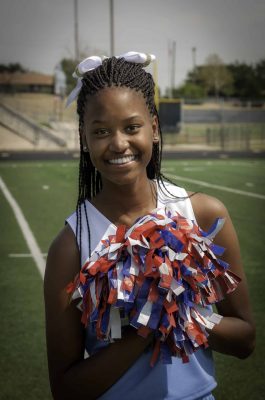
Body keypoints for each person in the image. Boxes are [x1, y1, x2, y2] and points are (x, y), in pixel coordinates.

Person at [44, 52, 255, 400]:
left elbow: (245, 339)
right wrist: (147, 324)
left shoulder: (204, 214)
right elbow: (66, 389)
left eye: (131, 127)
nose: (118, 143)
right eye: (100, 131)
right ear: (84, 140)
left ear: (154, 129)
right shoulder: (70, 246)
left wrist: (180, 311)